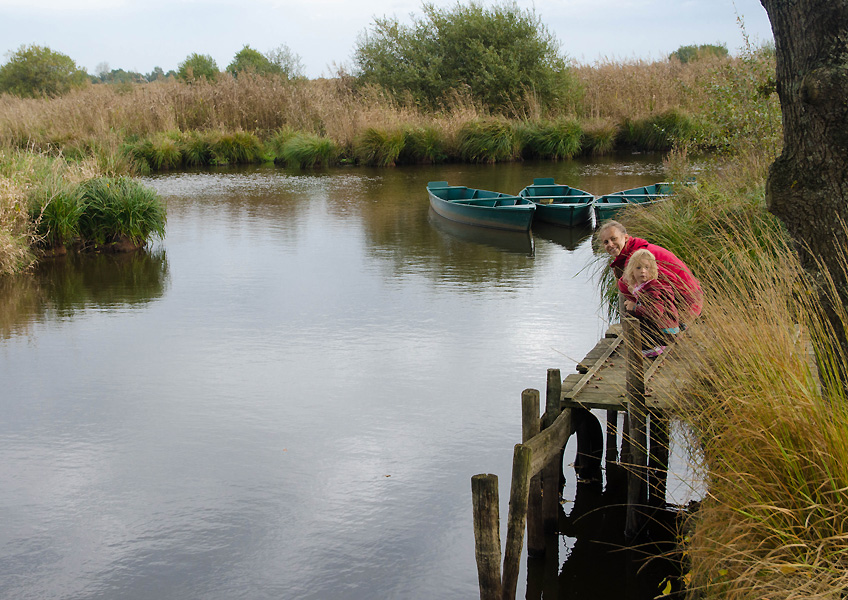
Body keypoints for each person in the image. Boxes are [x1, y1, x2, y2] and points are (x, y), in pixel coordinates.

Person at [597, 219, 703, 323]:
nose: (610, 244)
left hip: (688, 303)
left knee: (624, 283)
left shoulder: (639, 257)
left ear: (625, 238)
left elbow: (669, 280)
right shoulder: (634, 252)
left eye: (614, 239)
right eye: (606, 242)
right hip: (689, 298)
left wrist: (637, 306)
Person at [622, 249, 680, 357]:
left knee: (632, 315)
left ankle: (652, 347)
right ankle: (649, 344)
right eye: (638, 268)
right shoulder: (644, 287)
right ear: (632, 271)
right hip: (666, 329)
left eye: (646, 267)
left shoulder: (652, 289)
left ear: (652, 270)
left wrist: (635, 307)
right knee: (631, 314)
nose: (643, 271)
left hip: (666, 332)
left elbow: (656, 312)